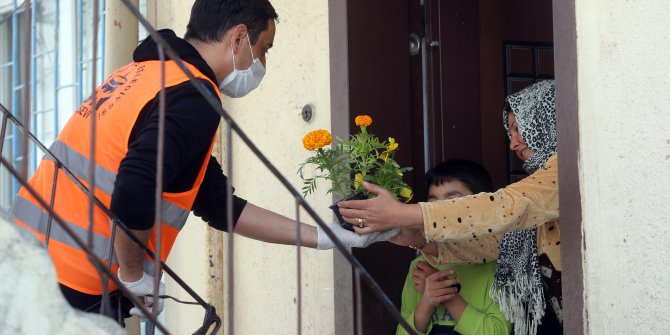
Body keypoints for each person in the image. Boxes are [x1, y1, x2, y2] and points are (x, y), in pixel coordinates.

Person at [9, 0, 396, 321]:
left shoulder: (146, 74)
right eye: (264, 49)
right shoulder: (193, 97)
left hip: (27, 259)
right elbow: (135, 185)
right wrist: (132, 276)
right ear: (239, 37)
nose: (262, 63)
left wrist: (328, 238)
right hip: (75, 288)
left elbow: (219, 205)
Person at [340, 80, 561, 335]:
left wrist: (405, 213)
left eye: (517, 128)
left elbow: (506, 207)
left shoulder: (568, 168)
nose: (513, 144)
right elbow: (493, 242)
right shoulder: (541, 179)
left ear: (545, 120)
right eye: (509, 133)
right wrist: (420, 240)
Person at [397, 160, 511, 335]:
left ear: (484, 206)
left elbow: (497, 332)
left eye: (452, 202)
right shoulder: (421, 266)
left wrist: (447, 296)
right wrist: (427, 302)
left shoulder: (498, 265)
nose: (441, 212)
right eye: (433, 203)